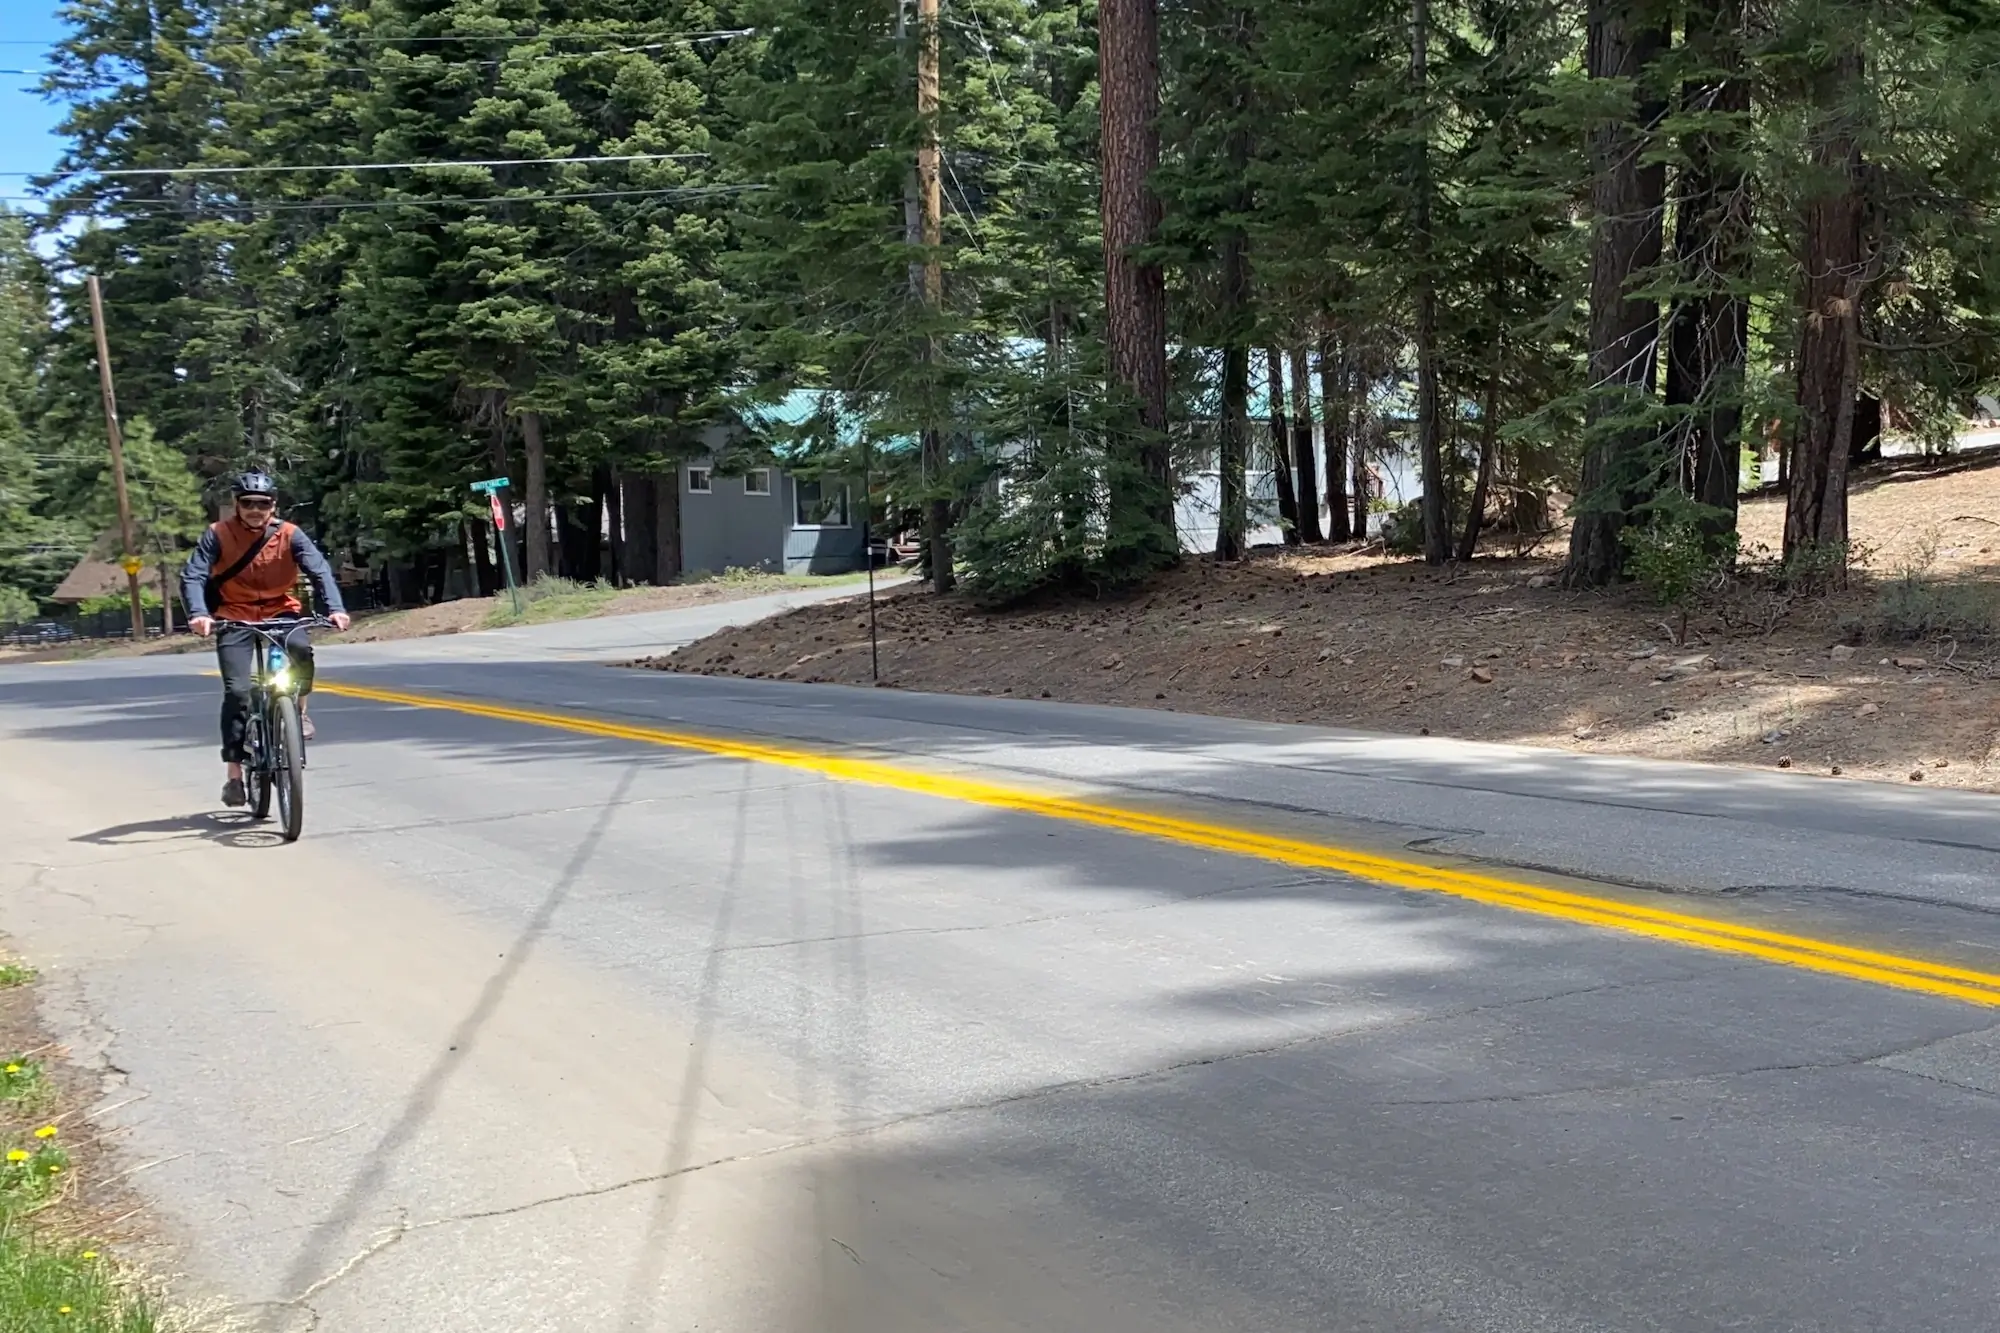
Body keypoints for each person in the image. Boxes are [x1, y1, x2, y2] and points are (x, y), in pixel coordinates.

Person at [180, 472, 351, 808]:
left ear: (274, 505)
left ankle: (298, 711)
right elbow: (194, 574)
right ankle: (234, 776)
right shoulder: (217, 534)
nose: (255, 510)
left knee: (301, 649)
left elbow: (319, 570)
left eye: (263, 503)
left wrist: (335, 609)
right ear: (236, 505)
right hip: (233, 615)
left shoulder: (290, 534)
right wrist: (200, 613)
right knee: (238, 692)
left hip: (280, 611)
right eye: (248, 503)